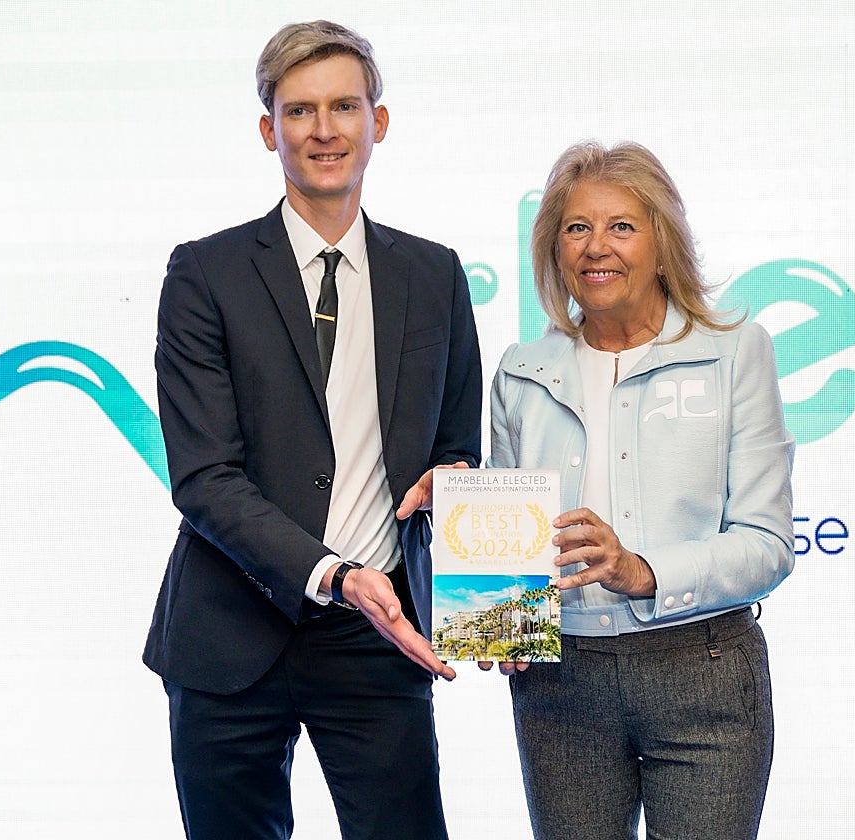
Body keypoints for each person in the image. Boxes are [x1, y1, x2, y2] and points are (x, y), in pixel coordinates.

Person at [142, 20, 482, 840]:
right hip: (230, 630)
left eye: (343, 106)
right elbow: (204, 479)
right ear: (270, 130)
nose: (324, 130)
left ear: (378, 121)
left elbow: (456, 446)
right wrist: (332, 574)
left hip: (378, 631)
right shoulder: (205, 273)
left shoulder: (434, 273)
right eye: (299, 111)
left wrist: (455, 480)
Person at [402, 140, 794, 839]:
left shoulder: (735, 352)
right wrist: (493, 604)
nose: (595, 247)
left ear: (663, 245)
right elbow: (512, 560)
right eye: (576, 228)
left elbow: (767, 546)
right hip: (561, 685)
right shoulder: (521, 371)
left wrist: (641, 571)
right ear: (555, 252)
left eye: (622, 226)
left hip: (702, 669)